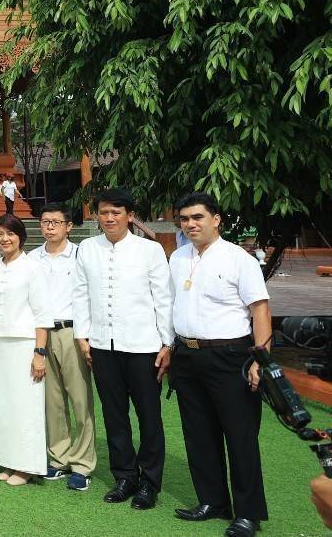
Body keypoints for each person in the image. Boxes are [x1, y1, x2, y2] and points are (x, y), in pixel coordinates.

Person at [169, 192, 271, 536]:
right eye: (184, 219)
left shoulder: (238, 259)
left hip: (231, 357)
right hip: (187, 355)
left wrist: (260, 359)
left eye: (197, 217)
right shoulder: (178, 257)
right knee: (198, 434)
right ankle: (212, 501)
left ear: (216, 219)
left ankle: (248, 513)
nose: (190, 224)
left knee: (240, 437)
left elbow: (260, 310)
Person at [74, 188, 173, 509]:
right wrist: (82, 336)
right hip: (102, 345)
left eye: (116, 212)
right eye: (104, 212)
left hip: (143, 346)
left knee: (148, 416)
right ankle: (125, 476)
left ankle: (149, 482)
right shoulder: (88, 248)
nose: (109, 218)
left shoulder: (149, 250)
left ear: (130, 216)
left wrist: (167, 342)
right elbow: (80, 294)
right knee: (114, 415)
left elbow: (163, 298)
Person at [29, 203, 95, 491]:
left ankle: (82, 464)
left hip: (72, 331)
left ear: (69, 226)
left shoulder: (81, 256)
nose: (50, 227)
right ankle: (58, 458)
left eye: (56, 222)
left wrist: (86, 336)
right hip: (42, 333)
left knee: (80, 400)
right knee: (52, 400)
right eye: (45, 222)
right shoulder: (32, 258)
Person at [0, 213, 51, 487]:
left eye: (10, 233)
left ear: (21, 237)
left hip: (24, 344)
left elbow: (42, 315)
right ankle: (9, 461)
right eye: (0, 234)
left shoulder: (33, 267)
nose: (5, 239)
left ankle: (27, 466)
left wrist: (39, 353)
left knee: (26, 406)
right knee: (3, 406)